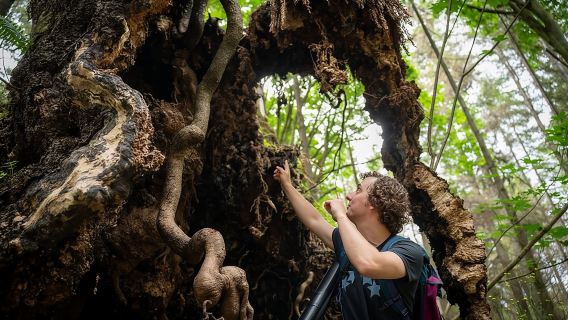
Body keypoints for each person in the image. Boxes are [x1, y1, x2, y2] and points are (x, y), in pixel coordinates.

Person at [273, 160, 424, 320]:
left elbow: (368, 263)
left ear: (375, 202)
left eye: (358, 190)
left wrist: (341, 216)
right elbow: (314, 220)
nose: (348, 195)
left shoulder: (409, 252)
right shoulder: (346, 244)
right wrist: (287, 184)